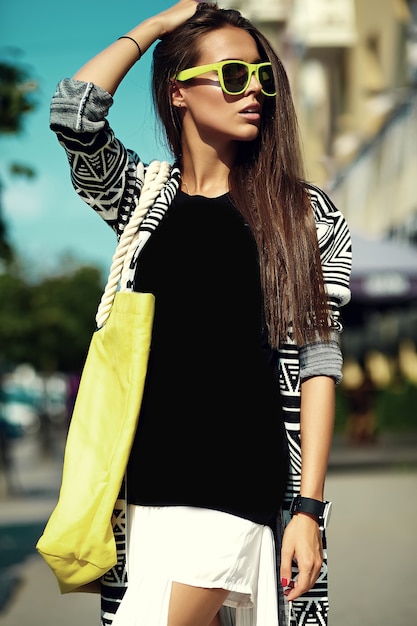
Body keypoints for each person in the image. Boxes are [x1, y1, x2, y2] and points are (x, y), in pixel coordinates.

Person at [49, 2, 352, 625]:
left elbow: (320, 363)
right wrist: (160, 28)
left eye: (263, 77)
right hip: (145, 496)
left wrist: (310, 509)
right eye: (233, 76)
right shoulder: (143, 199)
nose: (255, 92)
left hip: (238, 487)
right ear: (178, 92)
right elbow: (75, 113)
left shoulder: (303, 215)